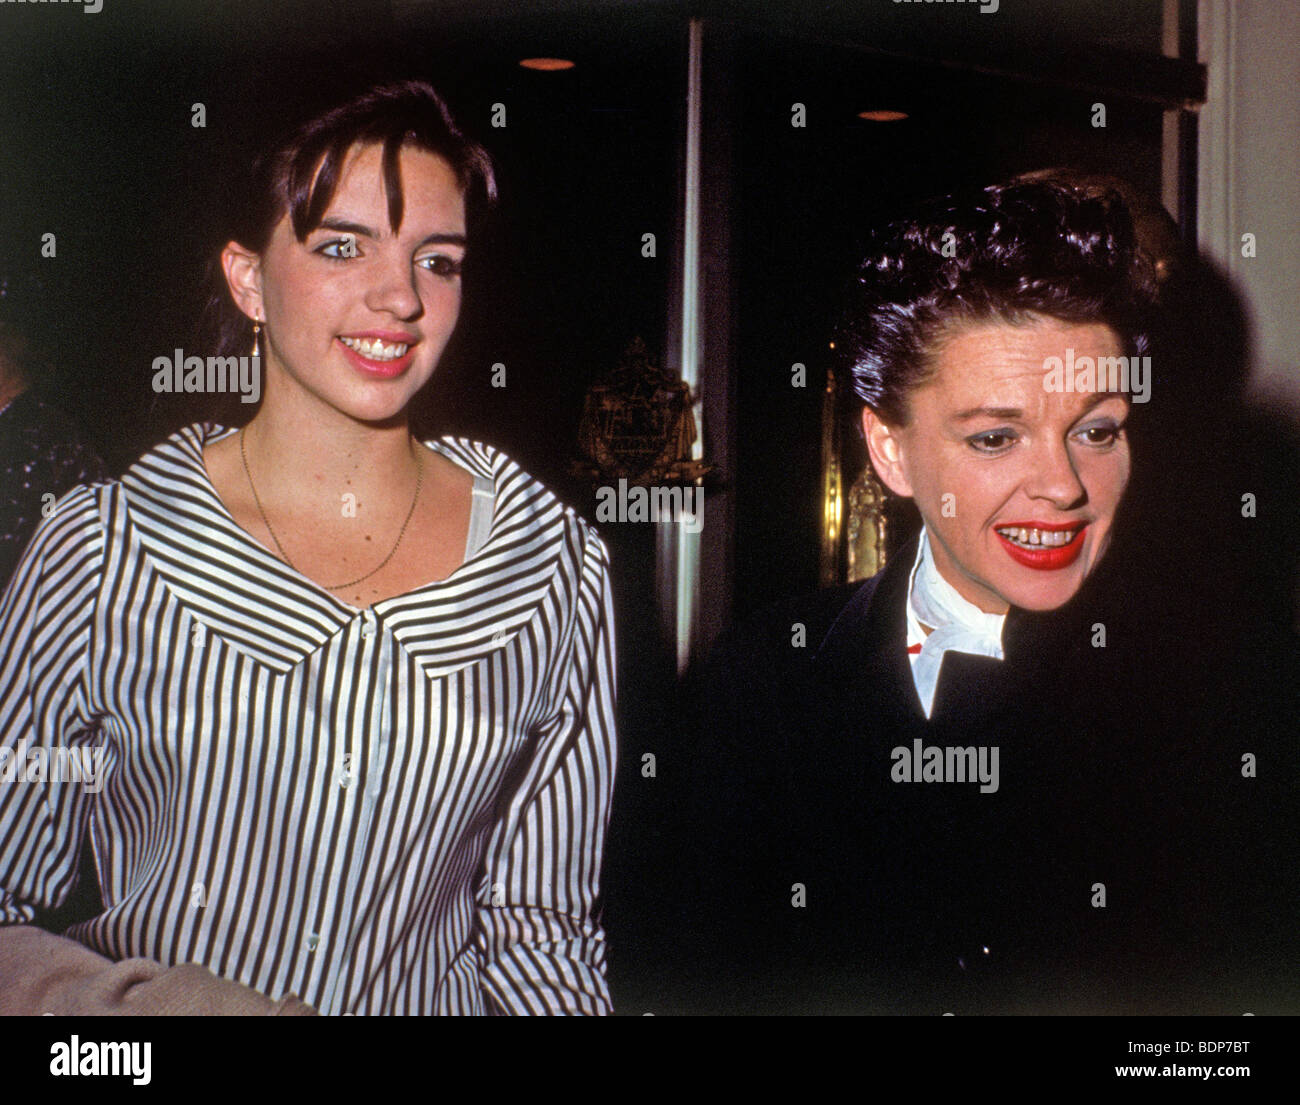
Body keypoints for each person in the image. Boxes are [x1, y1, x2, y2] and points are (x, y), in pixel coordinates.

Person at [0, 80, 617, 1016]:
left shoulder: (553, 567)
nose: (399, 297)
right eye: (341, 246)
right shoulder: (100, 551)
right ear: (248, 278)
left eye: (438, 261)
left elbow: (542, 936)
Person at [667, 177, 1298, 1014]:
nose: (1064, 486)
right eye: (996, 436)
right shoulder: (761, 681)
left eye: (1097, 429)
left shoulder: (1231, 703)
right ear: (889, 449)